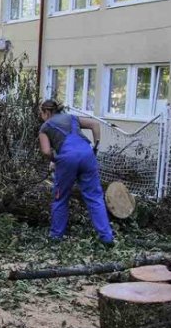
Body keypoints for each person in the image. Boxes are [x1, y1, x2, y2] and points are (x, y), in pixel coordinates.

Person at [38, 99, 114, 245]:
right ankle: (107, 238)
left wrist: (55, 159)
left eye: (42, 113)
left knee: (61, 197)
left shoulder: (45, 127)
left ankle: (55, 237)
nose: (41, 116)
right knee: (95, 197)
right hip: (87, 154)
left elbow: (46, 151)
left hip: (67, 158)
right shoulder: (72, 118)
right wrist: (96, 147)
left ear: (47, 112)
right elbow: (95, 124)